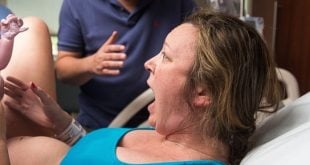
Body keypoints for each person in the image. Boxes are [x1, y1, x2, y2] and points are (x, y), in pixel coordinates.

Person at [1, 10, 282, 165]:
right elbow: (95, 153)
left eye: (165, 56)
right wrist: (62, 125)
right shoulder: (166, 134)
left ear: (203, 92)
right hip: (53, 145)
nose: (148, 62)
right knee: (32, 28)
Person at [55, 0, 197, 129]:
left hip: (165, 120)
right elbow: (63, 70)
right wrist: (91, 64)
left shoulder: (179, 4)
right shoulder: (76, 5)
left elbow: (200, 55)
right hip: (98, 123)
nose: (148, 64)